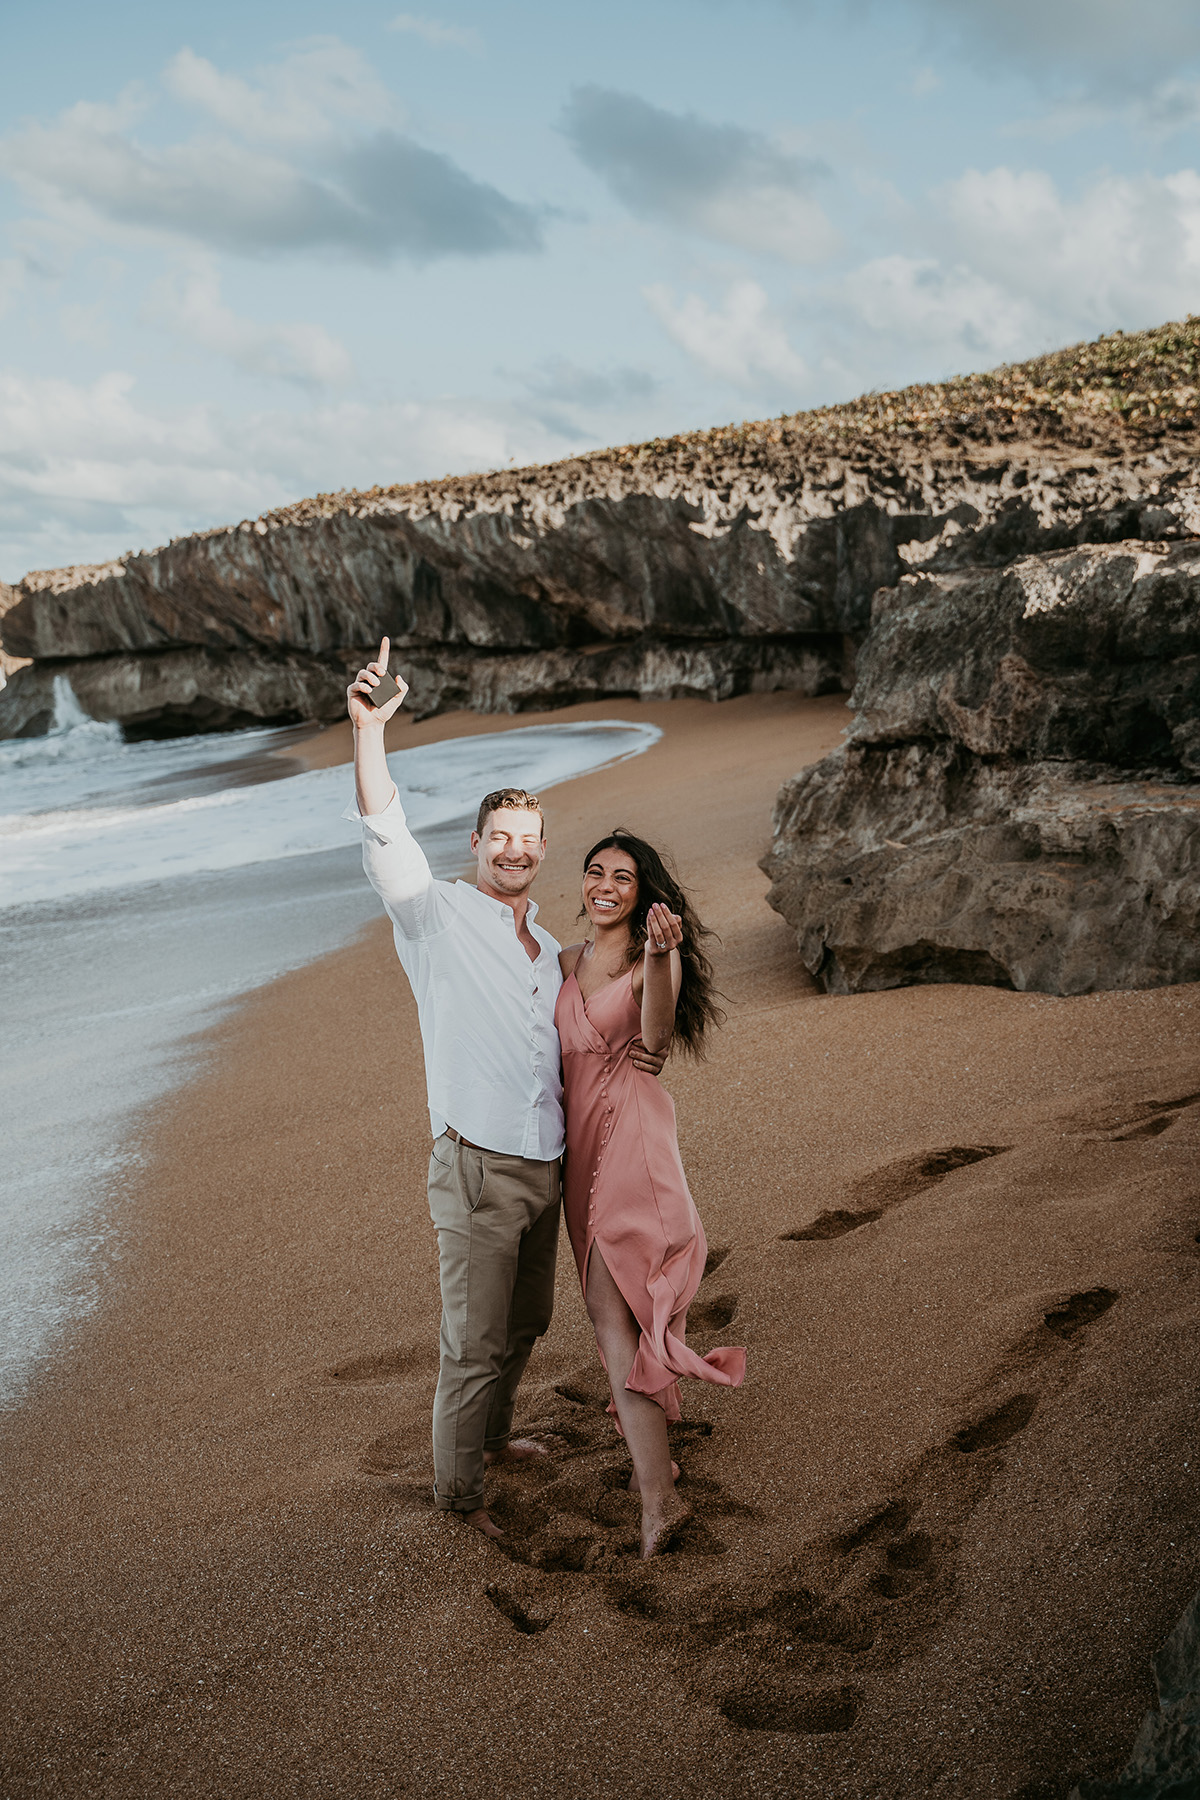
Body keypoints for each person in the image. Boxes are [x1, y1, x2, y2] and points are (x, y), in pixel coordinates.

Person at [344, 638, 665, 1539]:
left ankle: (489, 1441)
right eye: (501, 841)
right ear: (476, 845)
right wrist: (369, 733)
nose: (515, 854)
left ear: (541, 852)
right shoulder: (435, 916)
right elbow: (385, 835)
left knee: (524, 1323)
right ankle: (461, 1498)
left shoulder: (544, 952)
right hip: (478, 1169)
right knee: (472, 1344)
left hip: (546, 1170)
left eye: (529, 843)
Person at [557, 830, 746, 1557]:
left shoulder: (643, 962)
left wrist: (663, 956)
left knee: (614, 1323)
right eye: (595, 872)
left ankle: (658, 1504)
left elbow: (659, 1039)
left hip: (631, 1149)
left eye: (623, 878)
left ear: (644, 896)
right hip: (579, 1156)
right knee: (613, 1314)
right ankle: (655, 1460)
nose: (605, 885)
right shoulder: (567, 961)